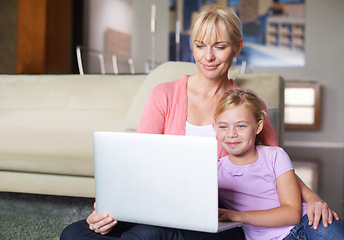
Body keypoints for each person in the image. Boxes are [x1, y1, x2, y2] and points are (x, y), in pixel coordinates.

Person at [60, 5, 338, 239]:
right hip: (158, 199)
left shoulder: (248, 107)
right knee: (74, 234)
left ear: (237, 48)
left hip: (212, 212)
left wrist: (311, 197)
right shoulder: (165, 95)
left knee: (151, 233)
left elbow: (275, 164)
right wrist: (110, 205)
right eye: (200, 46)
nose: (208, 57)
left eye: (220, 47)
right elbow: (137, 162)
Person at [214, 88, 344, 240]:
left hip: (308, 225)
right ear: (214, 127)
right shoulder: (216, 171)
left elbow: (292, 214)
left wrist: (236, 216)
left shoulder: (275, 156)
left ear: (258, 127)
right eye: (223, 126)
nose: (231, 134)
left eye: (241, 126)